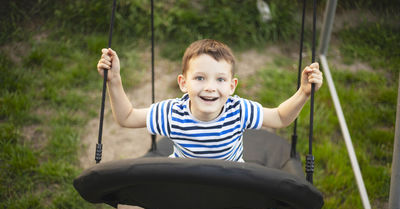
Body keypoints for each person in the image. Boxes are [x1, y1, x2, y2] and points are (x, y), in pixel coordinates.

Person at [97, 39, 323, 162]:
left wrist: (303, 92)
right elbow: (126, 118)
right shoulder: (172, 113)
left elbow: (281, 117)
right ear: (183, 83)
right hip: (185, 182)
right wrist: (114, 80)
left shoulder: (239, 111)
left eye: (220, 79)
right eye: (199, 77)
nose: (210, 87)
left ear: (232, 87)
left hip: (229, 182)